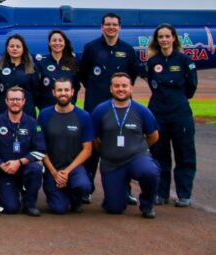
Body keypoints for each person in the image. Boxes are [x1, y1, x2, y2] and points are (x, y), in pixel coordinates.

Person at [79, 13, 139, 203]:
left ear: (120, 27)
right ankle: (87, 188)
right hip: (95, 107)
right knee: (92, 148)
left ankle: (125, 189)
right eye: (107, 24)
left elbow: (132, 75)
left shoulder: (127, 50)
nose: (111, 27)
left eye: (114, 24)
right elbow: (83, 75)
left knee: (123, 149)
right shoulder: (91, 48)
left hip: (120, 109)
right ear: (102, 27)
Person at [144, 24, 198, 207]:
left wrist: (177, 99)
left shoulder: (185, 60)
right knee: (159, 154)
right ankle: (161, 193)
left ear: (174, 38)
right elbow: (153, 86)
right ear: (156, 40)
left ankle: (184, 194)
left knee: (184, 153)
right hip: (158, 113)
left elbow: (191, 87)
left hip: (180, 114)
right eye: (161, 37)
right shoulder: (153, 62)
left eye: (167, 36)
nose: (164, 40)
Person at [91, 73, 160, 218]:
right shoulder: (100, 110)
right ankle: (118, 193)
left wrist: (139, 148)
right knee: (114, 208)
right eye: (117, 86)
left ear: (131, 88)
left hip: (136, 158)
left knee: (149, 171)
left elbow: (154, 136)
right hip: (112, 163)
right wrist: (107, 151)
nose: (120, 89)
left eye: (124, 86)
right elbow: (94, 138)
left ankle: (147, 204)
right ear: (111, 89)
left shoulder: (142, 111)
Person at [0, 86, 46, 216]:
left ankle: (29, 204)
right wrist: (1, 165)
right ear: (6, 101)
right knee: (11, 208)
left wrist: (19, 162)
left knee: (36, 168)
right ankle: (6, 196)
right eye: (12, 99)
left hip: (25, 168)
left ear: (24, 101)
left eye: (18, 99)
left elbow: (40, 150)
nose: (15, 102)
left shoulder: (32, 123)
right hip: (5, 170)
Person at [37, 79, 93, 214]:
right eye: (60, 90)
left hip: (74, 168)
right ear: (54, 92)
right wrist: (54, 173)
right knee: (58, 209)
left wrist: (67, 172)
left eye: (66, 90)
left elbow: (87, 150)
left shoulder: (83, 116)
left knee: (83, 185)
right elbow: (40, 148)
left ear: (72, 92)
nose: (63, 93)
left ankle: (76, 199)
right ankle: (59, 193)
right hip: (53, 168)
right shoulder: (44, 115)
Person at [0, 34, 39, 118]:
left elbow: (36, 92)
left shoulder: (32, 68)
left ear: (23, 49)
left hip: (26, 111)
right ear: (7, 48)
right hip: (2, 110)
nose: (15, 49)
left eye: (18, 46)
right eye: (12, 46)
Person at [35, 30, 79, 110]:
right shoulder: (41, 63)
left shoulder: (73, 62)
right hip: (47, 109)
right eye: (54, 40)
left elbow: (76, 86)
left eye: (60, 40)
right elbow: (36, 87)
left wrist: (72, 102)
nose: (57, 43)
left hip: (68, 109)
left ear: (64, 43)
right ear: (49, 43)